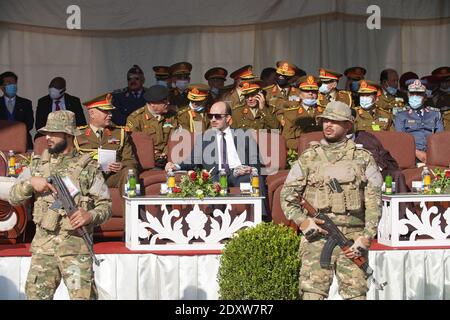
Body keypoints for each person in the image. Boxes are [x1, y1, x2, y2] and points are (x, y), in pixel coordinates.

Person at [280, 100, 383, 300]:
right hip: (318, 238)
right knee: (312, 294)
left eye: (334, 121)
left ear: (348, 126)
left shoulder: (363, 158)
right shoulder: (309, 158)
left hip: (353, 239)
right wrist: (303, 221)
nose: (328, 125)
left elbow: (374, 202)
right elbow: (288, 195)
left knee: (356, 295)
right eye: (325, 120)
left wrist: (367, 237)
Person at [9, 110, 111, 300]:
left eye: (53, 133)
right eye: (46, 133)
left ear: (68, 135)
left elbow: (105, 206)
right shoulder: (37, 165)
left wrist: (89, 216)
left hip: (75, 249)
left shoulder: (89, 167)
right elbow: (13, 197)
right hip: (43, 250)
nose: (47, 137)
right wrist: (31, 183)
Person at [165, 101, 268, 216]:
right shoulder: (205, 138)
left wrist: (250, 169)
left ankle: (261, 219)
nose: (213, 120)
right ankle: (214, 221)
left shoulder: (244, 135)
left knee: (256, 178)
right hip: (217, 175)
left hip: (239, 174)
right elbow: (192, 160)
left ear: (228, 118)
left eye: (218, 116)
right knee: (212, 183)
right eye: (210, 116)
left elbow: (257, 161)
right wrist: (176, 165)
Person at [74, 93, 138, 197]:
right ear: (92, 113)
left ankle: (131, 211)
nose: (110, 114)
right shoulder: (78, 134)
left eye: (110, 111)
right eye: (105, 111)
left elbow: (131, 161)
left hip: (112, 177)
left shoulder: (120, 133)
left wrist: (121, 165)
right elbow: (70, 161)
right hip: (88, 177)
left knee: (130, 172)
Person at [126, 85, 178, 168]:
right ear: (153, 104)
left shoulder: (171, 116)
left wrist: (165, 154)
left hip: (169, 159)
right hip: (146, 162)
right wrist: (155, 155)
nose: (168, 103)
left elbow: (174, 138)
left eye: (167, 99)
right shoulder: (136, 119)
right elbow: (134, 145)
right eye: (164, 101)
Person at [394, 80, 444, 163]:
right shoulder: (401, 115)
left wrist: (432, 154)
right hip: (411, 155)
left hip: (433, 154)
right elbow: (401, 140)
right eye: (412, 93)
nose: (415, 96)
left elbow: (440, 138)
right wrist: (418, 153)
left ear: (425, 97)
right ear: (408, 95)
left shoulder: (435, 114)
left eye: (419, 94)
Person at [275, 75, 324, 150]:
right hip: (301, 152)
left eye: (314, 91)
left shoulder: (326, 111)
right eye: (306, 91)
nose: (310, 93)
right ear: (299, 94)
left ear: (317, 93)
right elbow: (287, 139)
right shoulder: (291, 113)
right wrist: (304, 146)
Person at [0, 71, 34, 150]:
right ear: (1, 87)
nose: (12, 86)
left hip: (23, 142)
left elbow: (30, 124)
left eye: (14, 83)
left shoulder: (26, 103)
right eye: (9, 83)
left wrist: (17, 132)